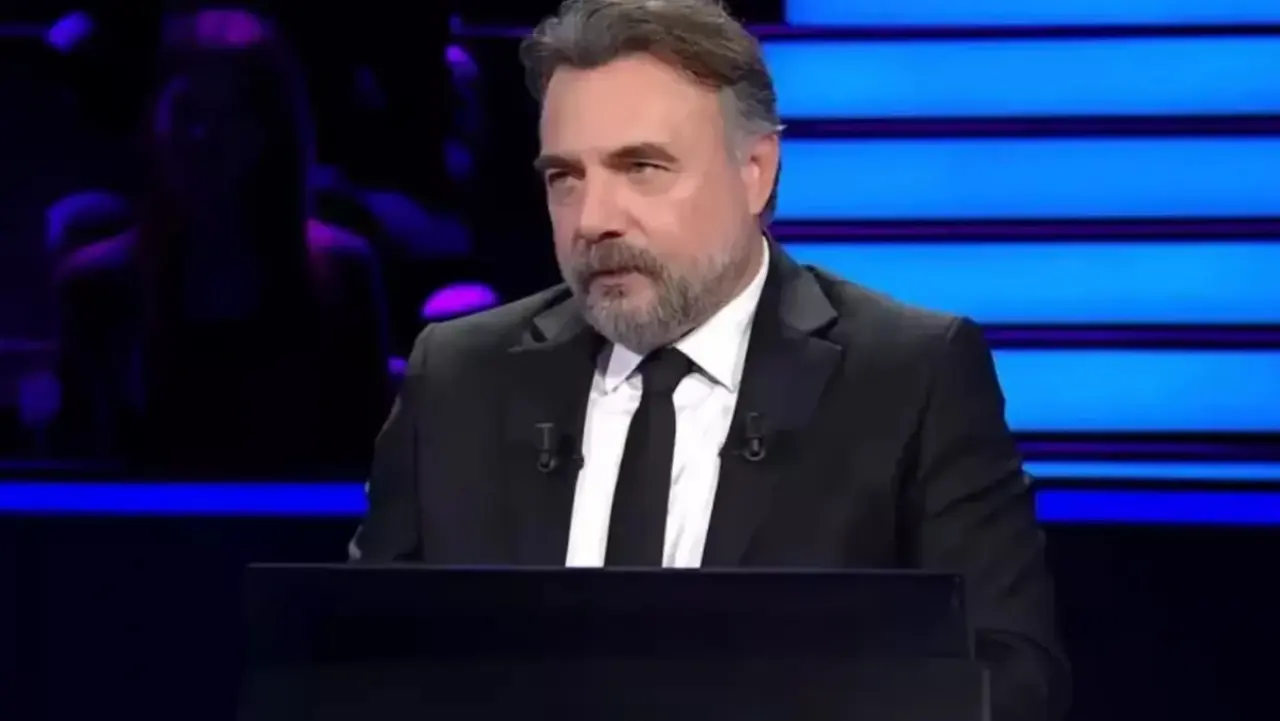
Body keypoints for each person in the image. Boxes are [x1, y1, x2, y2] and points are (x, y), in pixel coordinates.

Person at [349, 1, 1070, 718]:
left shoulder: (910, 377)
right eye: (565, 177)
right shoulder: (459, 377)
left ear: (755, 171)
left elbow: (1011, 680)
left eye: (641, 167)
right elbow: (353, 666)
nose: (594, 219)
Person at [54, 8, 392, 473]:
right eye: (189, 111)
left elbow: (369, 462)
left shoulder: (343, 274)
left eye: (234, 116)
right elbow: (79, 469)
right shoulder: (95, 287)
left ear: (273, 133)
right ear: (154, 122)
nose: (207, 138)